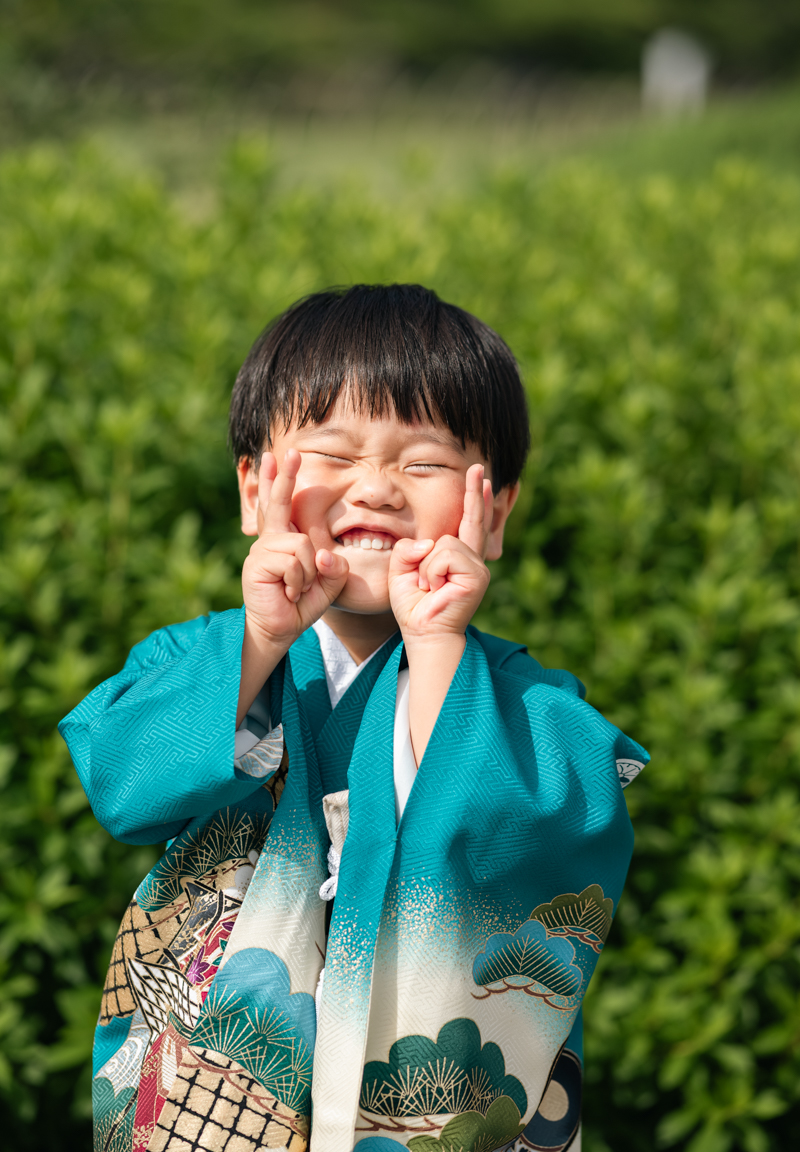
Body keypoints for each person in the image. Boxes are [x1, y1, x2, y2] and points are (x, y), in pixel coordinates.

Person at [60, 284, 648, 1152]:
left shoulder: (523, 698)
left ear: (497, 509)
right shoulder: (211, 658)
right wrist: (261, 640)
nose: (374, 489)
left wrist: (440, 646)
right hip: (206, 1103)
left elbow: (545, 832)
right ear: (255, 487)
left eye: (423, 464)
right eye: (330, 454)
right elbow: (122, 778)